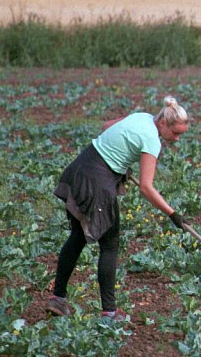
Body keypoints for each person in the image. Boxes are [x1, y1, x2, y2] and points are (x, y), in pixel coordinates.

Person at [45, 96, 190, 322]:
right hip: (96, 182)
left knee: (77, 237)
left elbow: (107, 126)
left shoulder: (142, 117)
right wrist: (173, 214)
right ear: (163, 123)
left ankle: (57, 299)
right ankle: (109, 313)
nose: (177, 138)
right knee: (110, 245)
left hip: (80, 168)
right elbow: (146, 187)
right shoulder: (152, 140)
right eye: (176, 133)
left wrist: (121, 156)